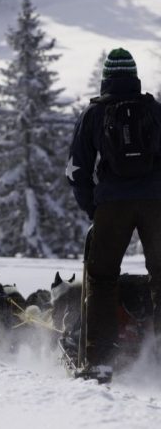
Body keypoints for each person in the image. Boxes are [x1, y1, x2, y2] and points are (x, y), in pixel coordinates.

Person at [66, 48, 161, 369]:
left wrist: (93, 208)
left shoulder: (94, 113)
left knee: (103, 279)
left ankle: (100, 362)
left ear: (106, 77)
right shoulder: (154, 109)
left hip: (112, 204)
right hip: (155, 204)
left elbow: (77, 169)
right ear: (134, 77)